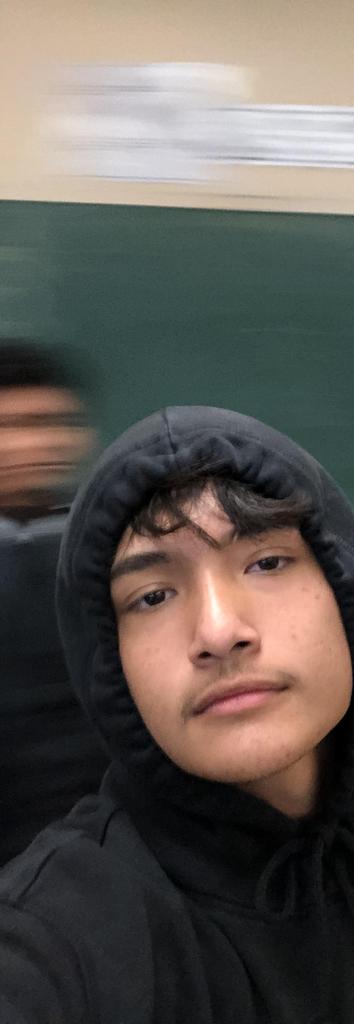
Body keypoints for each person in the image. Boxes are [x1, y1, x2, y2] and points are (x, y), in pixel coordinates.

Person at [0, 405, 354, 1022]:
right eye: (153, 596)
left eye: (267, 562)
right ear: (110, 664)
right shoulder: (54, 940)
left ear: (348, 594)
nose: (219, 631)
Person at [0, 340, 354, 867]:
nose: (33, 443)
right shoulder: (90, 548)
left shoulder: (96, 532)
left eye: (49, 422)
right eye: (153, 597)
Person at [0, 340, 107, 864]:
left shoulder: (115, 543)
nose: (33, 443)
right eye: (9, 426)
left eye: (52, 422)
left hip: (100, 842)